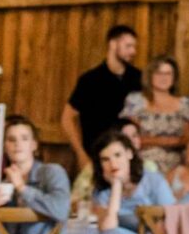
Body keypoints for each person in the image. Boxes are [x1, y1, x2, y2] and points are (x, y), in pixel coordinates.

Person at [61, 24, 143, 166]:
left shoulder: (138, 78)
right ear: (112, 44)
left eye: (134, 47)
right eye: (128, 46)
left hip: (130, 157)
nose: (133, 51)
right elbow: (67, 118)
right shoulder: (90, 80)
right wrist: (81, 154)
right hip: (97, 156)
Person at [120, 56, 189, 178]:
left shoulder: (184, 103)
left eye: (168, 73)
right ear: (150, 76)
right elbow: (131, 139)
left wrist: (151, 140)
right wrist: (171, 141)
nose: (164, 78)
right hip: (143, 166)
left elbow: (188, 139)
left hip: (177, 168)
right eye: (159, 73)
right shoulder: (136, 100)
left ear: (174, 77)